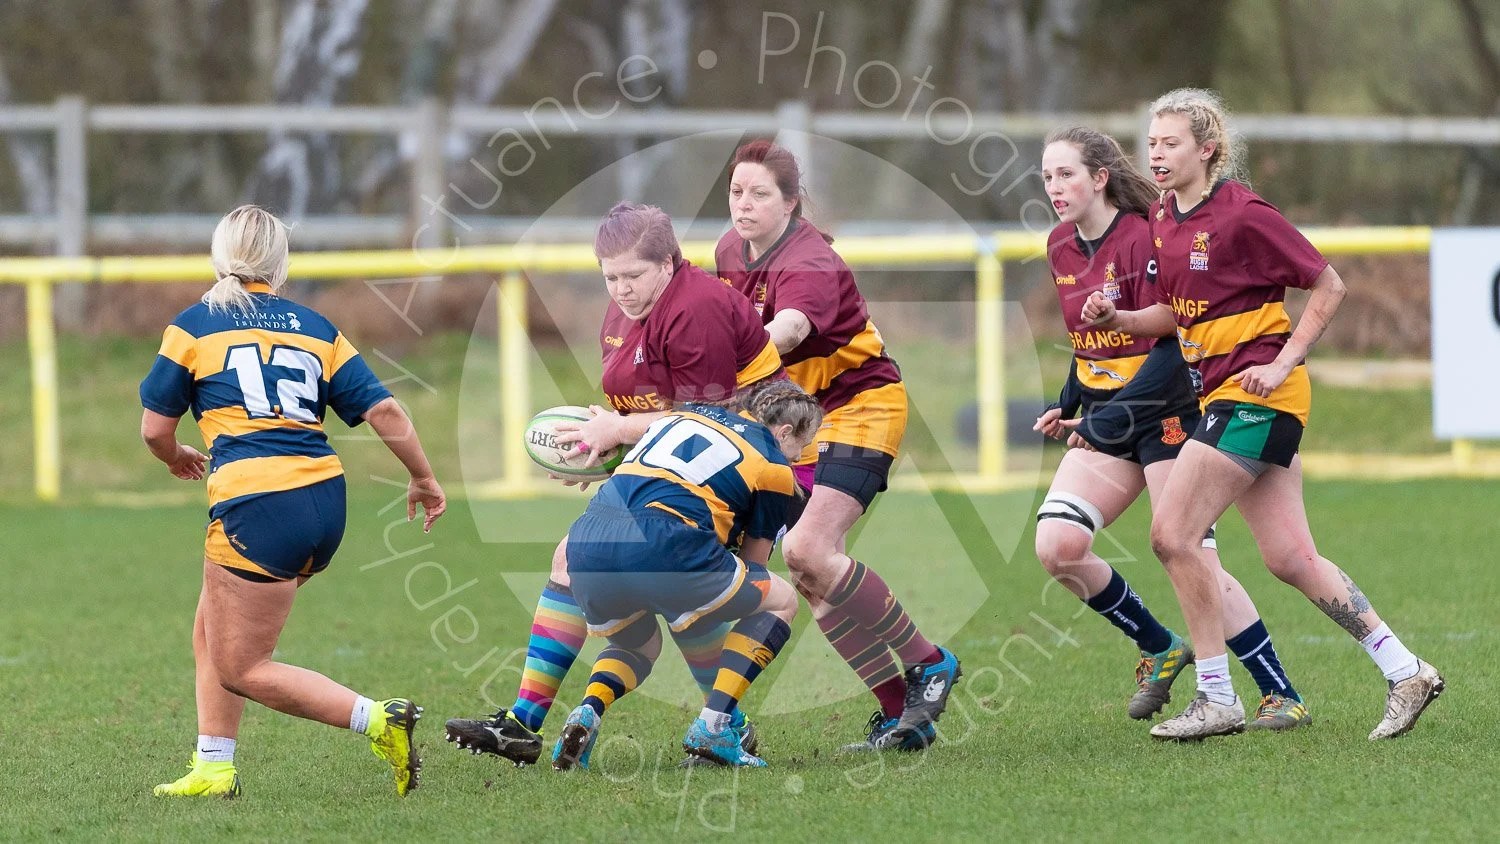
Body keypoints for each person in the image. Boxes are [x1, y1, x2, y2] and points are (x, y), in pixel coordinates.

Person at [1082, 89, 1444, 740]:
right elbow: (1174, 315)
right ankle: (1406, 669)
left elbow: (1328, 284)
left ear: (1207, 149)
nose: (1157, 154)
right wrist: (1121, 319)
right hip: (1227, 397)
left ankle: (1216, 695)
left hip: (1256, 397)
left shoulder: (1244, 213)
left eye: (1171, 143)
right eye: (1153, 142)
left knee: (1172, 535)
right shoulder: (1164, 216)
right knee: (1289, 557)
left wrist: (1285, 363)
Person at [444, 201, 783, 765]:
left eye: (633, 276)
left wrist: (620, 429)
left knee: (674, 593)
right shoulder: (626, 312)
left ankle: (722, 721)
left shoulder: (695, 307)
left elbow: (709, 417)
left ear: (670, 263)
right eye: (610, 277)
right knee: (576, 562)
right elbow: (645, 408)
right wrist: (600, 451)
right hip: (673, 470)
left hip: (743, 472)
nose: (621, 290)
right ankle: (524, 723)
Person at [141, 205, 447, 798]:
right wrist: (424, 478)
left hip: (258, 502)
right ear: (280, 264)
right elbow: (383, 409)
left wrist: (173, 456)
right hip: (325, 500)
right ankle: (213, 766)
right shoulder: (315, 327)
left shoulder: (194, 325)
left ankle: (379, 719)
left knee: (241, 665)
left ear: (219, 256)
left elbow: (155, 429)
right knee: (211, 626)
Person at [1034, 126, 1308, 729]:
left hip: (1167, 418)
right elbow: (1090, 343)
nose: (1054, 187)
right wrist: (1070, 397)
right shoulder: (1059, 245)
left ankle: (1279, 693)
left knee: (1191, 554)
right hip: (1109, 418)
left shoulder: (1143, 235)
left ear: (1100, 177)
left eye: (1067, 174)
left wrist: (1109, 416)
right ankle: (1160, 647)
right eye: (1047, 176)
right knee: (1057, 545)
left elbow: (1172, 339)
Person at [715, 140, 960, 751]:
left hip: (864, 405)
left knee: (808, 547)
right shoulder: (728, 249)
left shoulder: (811, 259)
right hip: (801, 418)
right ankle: (901, 712)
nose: (743, 204)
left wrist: (731, 370)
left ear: (791, 202)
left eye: (759, 194)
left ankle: (930, 661)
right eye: (735, 191)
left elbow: (790, 328)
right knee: (810, 571)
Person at [551, 381, 822, 769]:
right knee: (781, 600)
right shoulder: (775, 466)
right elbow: (753, 564)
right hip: (666, 541)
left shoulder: (685, 414)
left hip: (587, 541)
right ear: (783, 433)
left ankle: (588, 710)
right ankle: (714, 725)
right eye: (804, 444)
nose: (800, 456)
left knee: (636, 647)